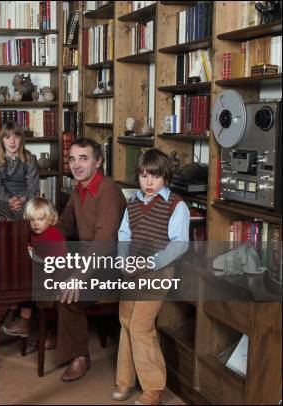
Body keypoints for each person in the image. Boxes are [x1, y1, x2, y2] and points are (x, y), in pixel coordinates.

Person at [112, 149, 189, 405]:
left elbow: (179, 245)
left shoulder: (176, 205)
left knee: (140, 326)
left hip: (157, 271)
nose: (148, 182)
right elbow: (124, 234)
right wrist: (123, 259)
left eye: (154, 177)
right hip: (133, 269)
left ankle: (154, 387)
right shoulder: (133, 201)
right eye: (143, 176)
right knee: (125, 321)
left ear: (165, 177)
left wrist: (149, 262)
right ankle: (125, 381)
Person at [55, 138, 126, 382]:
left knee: (68, 296)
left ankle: (79, 358)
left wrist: (77, 277)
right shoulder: (80, 189)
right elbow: (64, 226)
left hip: (110, 264)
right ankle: (59, 339)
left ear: (98, 161)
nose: (76, 165)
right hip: (89, 258)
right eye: (72, 159)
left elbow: (104, 242)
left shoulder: (108, 190)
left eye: (83, 158)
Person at [1, 197, 65, 337]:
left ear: (51, 219)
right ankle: (12, 310)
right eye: (32, 220)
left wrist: (33, 255)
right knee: (17, 276)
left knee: (28, 284)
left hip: (54, 277)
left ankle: (24, 321)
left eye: (40, 220)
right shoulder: (35, 234)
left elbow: (53, 262)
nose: (35, 224)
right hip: (41, 272)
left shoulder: (54, 235)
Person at [0, 121, 39, 214]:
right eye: (7, 137)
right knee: (2, 214)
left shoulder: (30, 158)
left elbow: (33, 188)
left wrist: (21, 200)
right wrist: (10, 200)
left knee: (28, 212)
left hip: (25, 200)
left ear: (21, 140)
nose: (12, 141)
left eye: (16, 137)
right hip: (2, 201)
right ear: (2, 140)